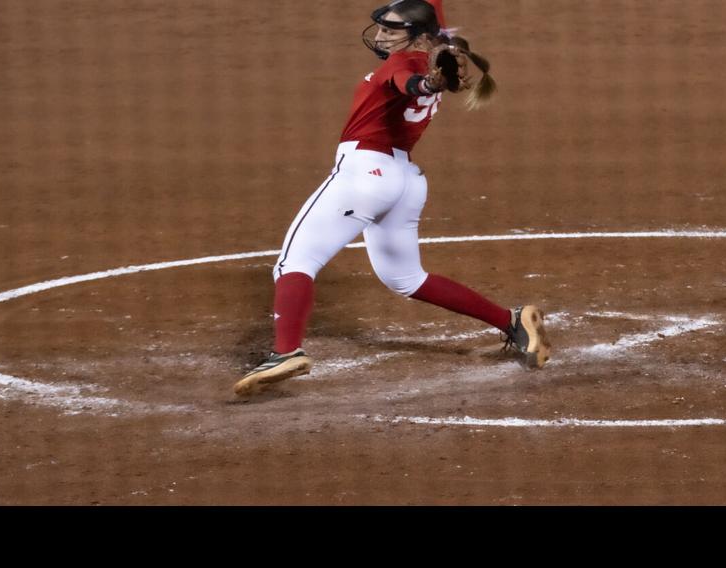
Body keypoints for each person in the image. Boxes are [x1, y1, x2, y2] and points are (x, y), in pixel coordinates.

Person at [234, 1, 548, 398]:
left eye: (391, 28)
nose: (381, 34)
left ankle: (285, 353)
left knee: (295, 263)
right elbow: (429, 20)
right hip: (404, 181)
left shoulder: (402, 65)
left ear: (416, 35)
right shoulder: (428, 47)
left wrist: (430, 84)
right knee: (406, 278)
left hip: (364, 174)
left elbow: (412, 84)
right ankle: (513, 321)